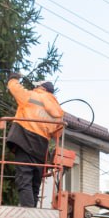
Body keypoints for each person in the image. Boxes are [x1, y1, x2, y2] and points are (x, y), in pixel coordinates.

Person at [6, 73, 65, 207]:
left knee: (24, 179)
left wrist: (13, 79)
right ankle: (32, 210)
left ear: (42, 88)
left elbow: (15, 89)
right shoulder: (58, 112)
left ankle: (28, 212)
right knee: (35, 183)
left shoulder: (33, 97)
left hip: (25, 140)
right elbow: (57, 135)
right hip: (41, 148)